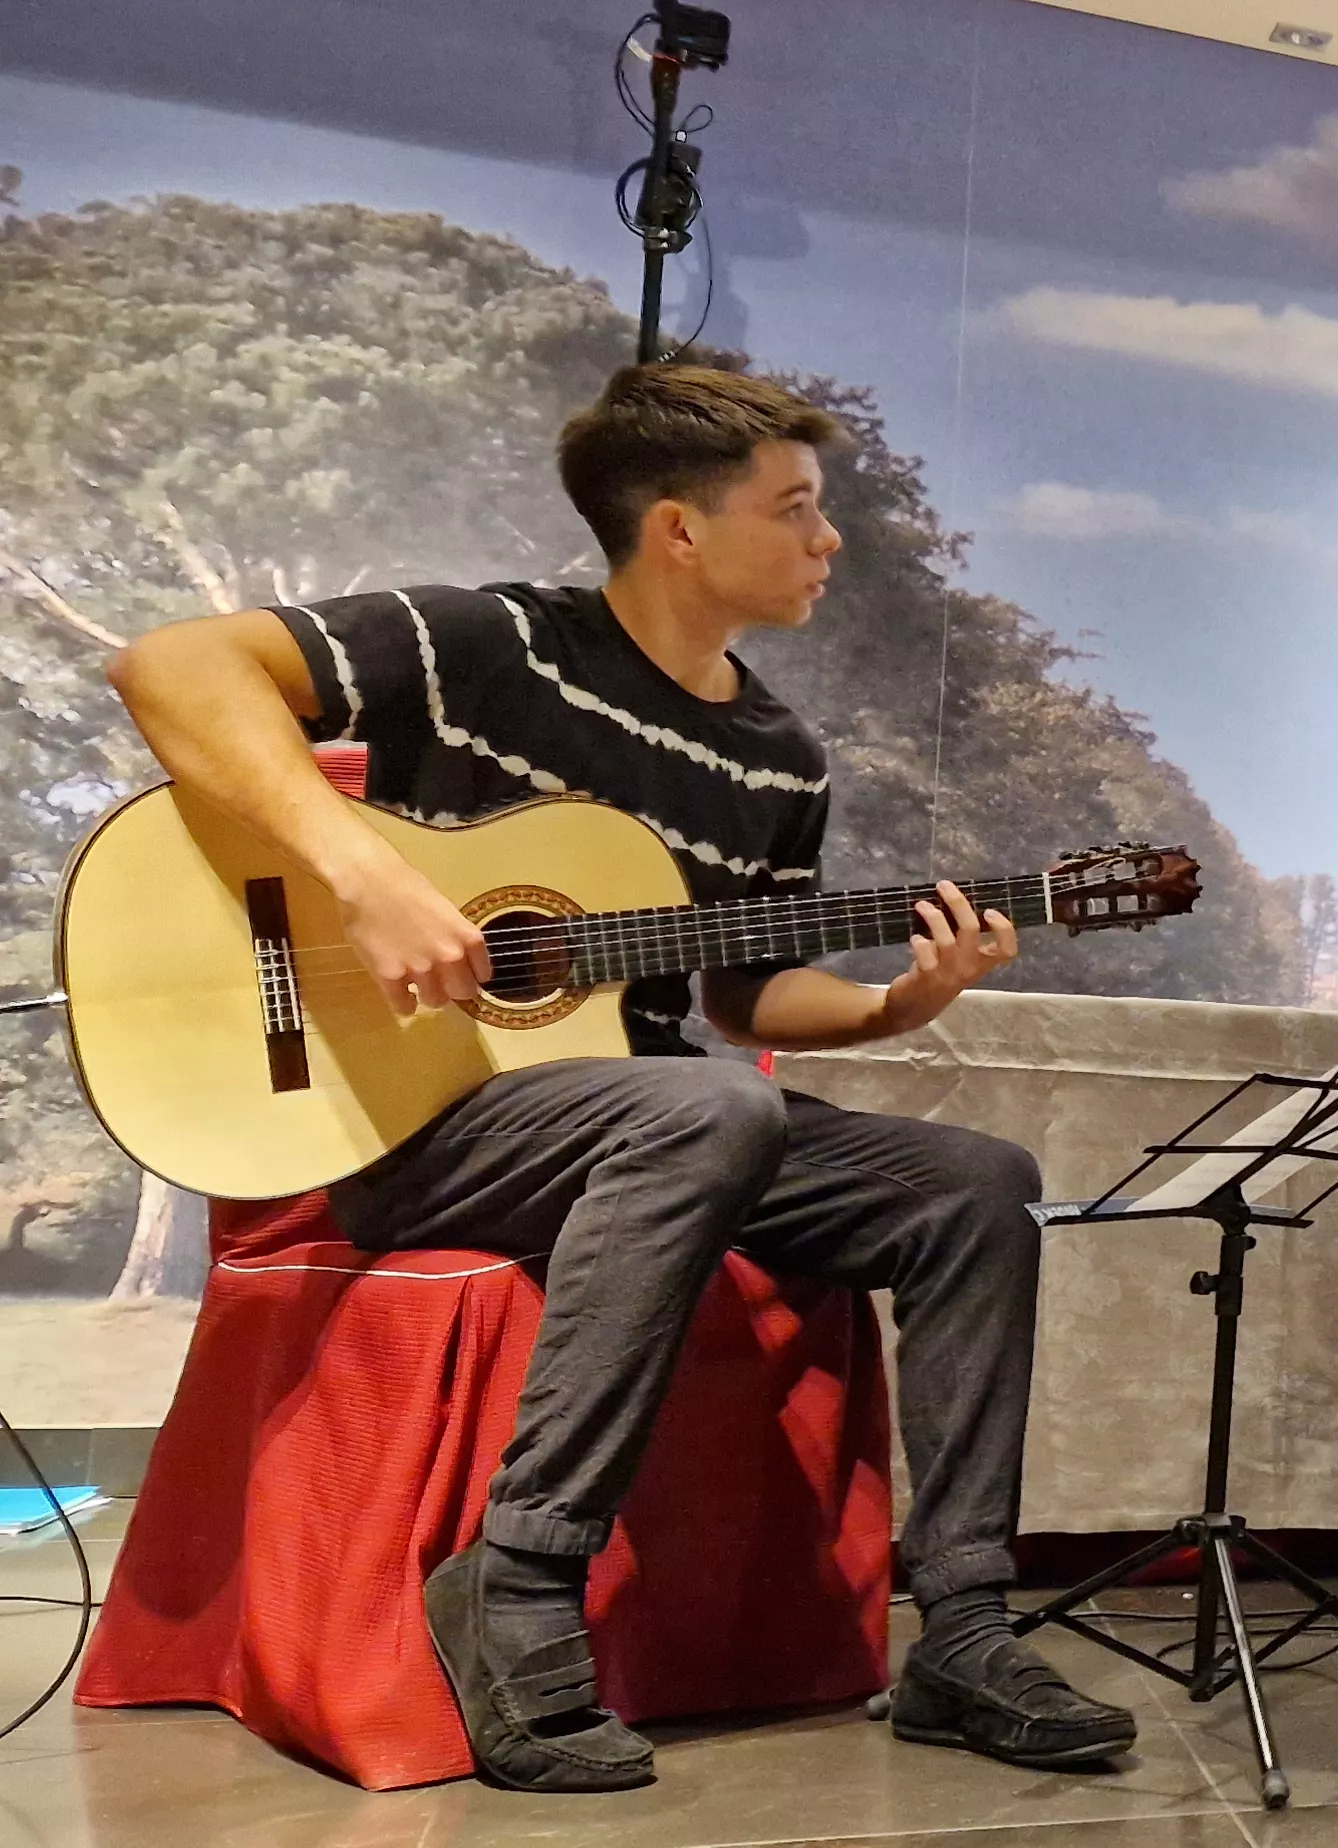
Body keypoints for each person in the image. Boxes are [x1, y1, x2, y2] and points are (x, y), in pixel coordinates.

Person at [99, 366, 1130, 1792]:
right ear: (679, 530)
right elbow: (169, 665)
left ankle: (958, 1623)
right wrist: (369, 879)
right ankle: (518, 1584)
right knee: (708, 1105)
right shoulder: (490, 643)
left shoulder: (776, 753)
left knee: (972, 1183)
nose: (831, 542)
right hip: (419, 1117)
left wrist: (905, 997)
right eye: (799, 511)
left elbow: (742, 995)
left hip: (644, 1120)